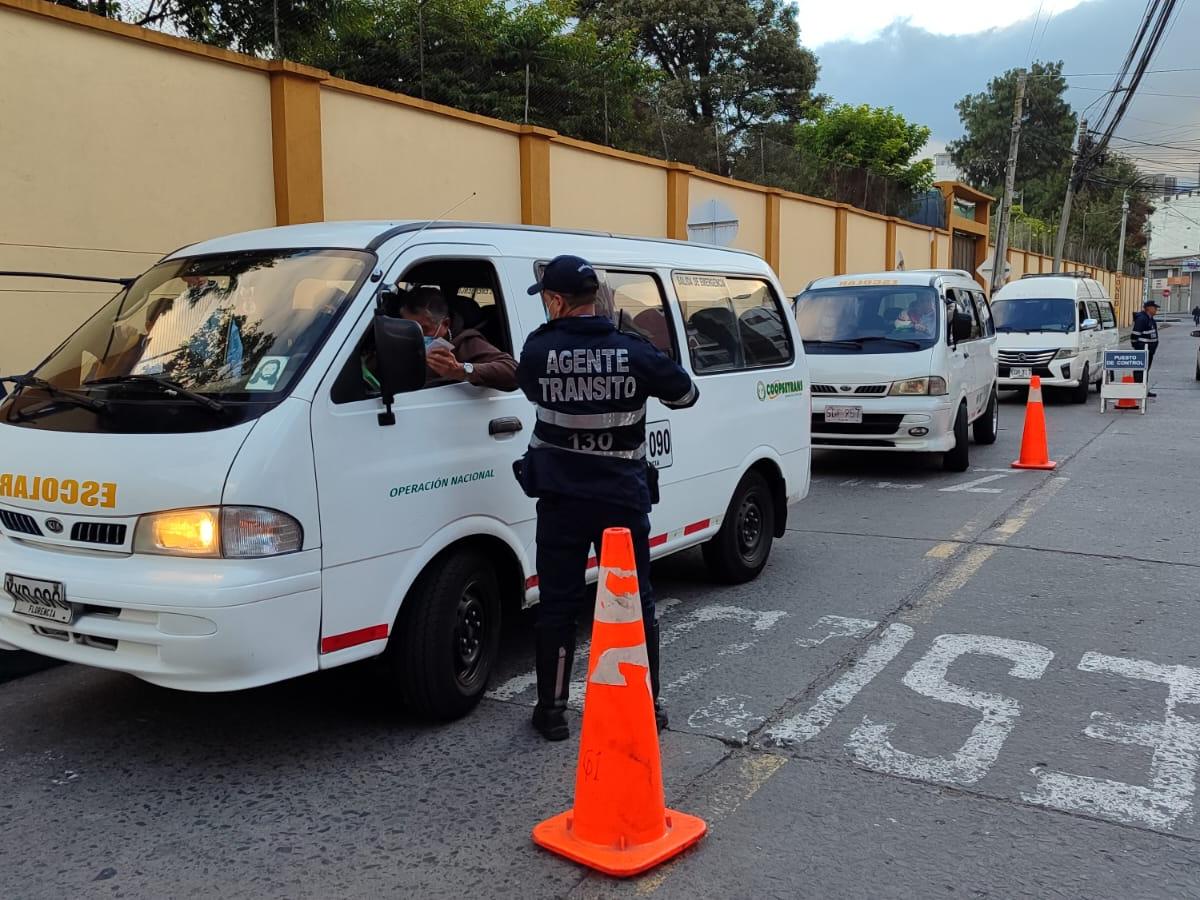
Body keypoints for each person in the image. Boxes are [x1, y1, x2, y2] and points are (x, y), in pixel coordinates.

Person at [514, 255, 699, 742]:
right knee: (634, 603)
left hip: (560, 501)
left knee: (558, 605)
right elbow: (685, 395)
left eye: (547, 299)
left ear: (556, 301)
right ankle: (645, 708)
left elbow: (530, 389)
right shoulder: (632, 349)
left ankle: (552, 712)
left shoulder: (539, 349)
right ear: (595, 298)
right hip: (621, 502)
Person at [398, 286, 517, 391]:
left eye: (424, 329)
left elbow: (513, 370)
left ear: (446, 324)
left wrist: (461, 370)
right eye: (410, 328)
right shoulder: (399, 341)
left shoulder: (465, 342)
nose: (417, 335)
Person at [1131, 298, 1160, 398]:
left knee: (1145, 370)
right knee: (1140, 370)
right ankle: (1138, 390)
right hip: (1143, 350)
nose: (1156, 310)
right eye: (1154, 308)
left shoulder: (1150, 319)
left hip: (1149, 350)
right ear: (1148, 308)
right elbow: (1135, 335)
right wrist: (1138, 347)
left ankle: (1144, 389)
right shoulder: (1142, 319)